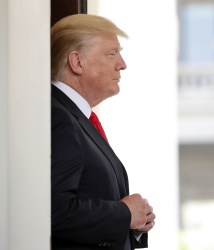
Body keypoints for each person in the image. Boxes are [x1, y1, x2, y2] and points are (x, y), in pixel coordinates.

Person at [50, 14, 155, 250]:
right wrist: (124, 213)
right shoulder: (58, 117)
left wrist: (133, 222)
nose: (122, 64)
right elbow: (54, 211)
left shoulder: (75, 117)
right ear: (77, 62)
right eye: (112, 53)